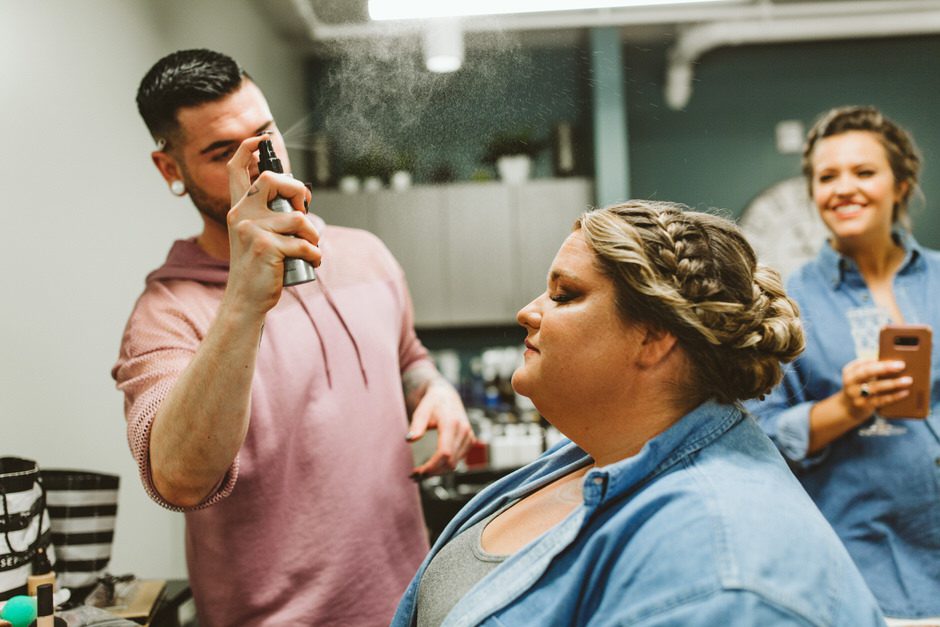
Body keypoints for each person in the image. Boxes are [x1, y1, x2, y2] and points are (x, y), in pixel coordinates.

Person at [391, 200, 886, 626]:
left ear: (653, 335)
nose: (528, 311)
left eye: (565, 295)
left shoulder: (719, 575)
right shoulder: (592, 454)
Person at [111, 49, 474, 627]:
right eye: (221, 154)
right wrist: (243, 299)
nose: (258, 167)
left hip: (407, 605)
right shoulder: (166, 313)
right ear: (169, 169)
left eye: (264, 135)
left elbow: (408, 356)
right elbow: (178, 480)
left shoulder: (366, 253)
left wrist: (434, 390)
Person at [746, 106, 940, 624]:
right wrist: (846, 408)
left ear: (901, 185)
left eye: (864, 172)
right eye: (827, 176)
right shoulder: (790, 304)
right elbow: (759, 433)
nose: (843, 189)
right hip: (867, 568)